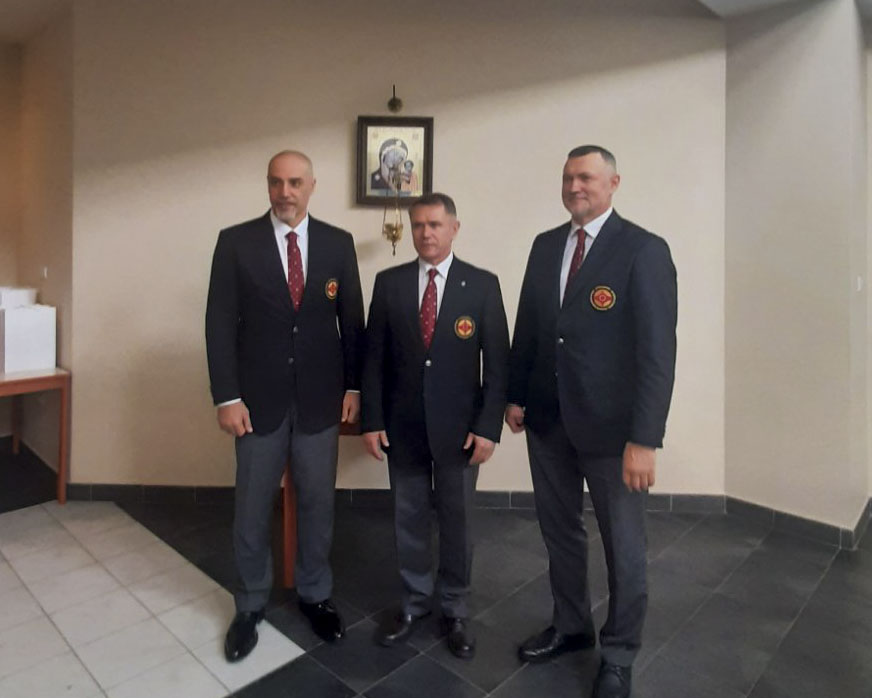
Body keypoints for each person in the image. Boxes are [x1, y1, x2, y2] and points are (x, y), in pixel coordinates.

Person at [505, 146, 677, 698]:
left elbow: (657, 354)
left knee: (623, 546)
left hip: (613, 432)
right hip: (548, 421)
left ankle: (619, 654)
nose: (575, 186)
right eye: (568, 177)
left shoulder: (643, 250)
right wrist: (515, 394)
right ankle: (572, 625)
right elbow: (530, 328)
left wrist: (645, 439)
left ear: (614, 183)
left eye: (586, 177)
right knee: (560, 532)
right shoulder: (545, 245)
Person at [205, 150, 365, 662]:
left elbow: (352, 322)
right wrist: (227, 396)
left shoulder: (338, 243)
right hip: (256, 402)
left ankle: (315, 594)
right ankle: (250, 603)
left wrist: (354, 388)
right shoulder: (236, 242)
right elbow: (218, 324)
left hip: (320, 400)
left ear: (312, 186)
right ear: (268, 186)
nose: (285, 192)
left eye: (295, 182)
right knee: (252, 506)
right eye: (276, 182)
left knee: (318, 502)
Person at [361, 192, 510, 659]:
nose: (426, 233)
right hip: (402, 427)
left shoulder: (482, 285)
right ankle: (414, 602)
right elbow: (373, 358)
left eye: (435, 224)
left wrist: (488, 427)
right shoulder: (389, 284)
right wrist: (372, 419)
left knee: (457, 521)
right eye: (419, 225)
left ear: (454, 228)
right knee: (407, 518)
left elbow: (498, 364)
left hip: (460, 431)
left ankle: (455, 608)